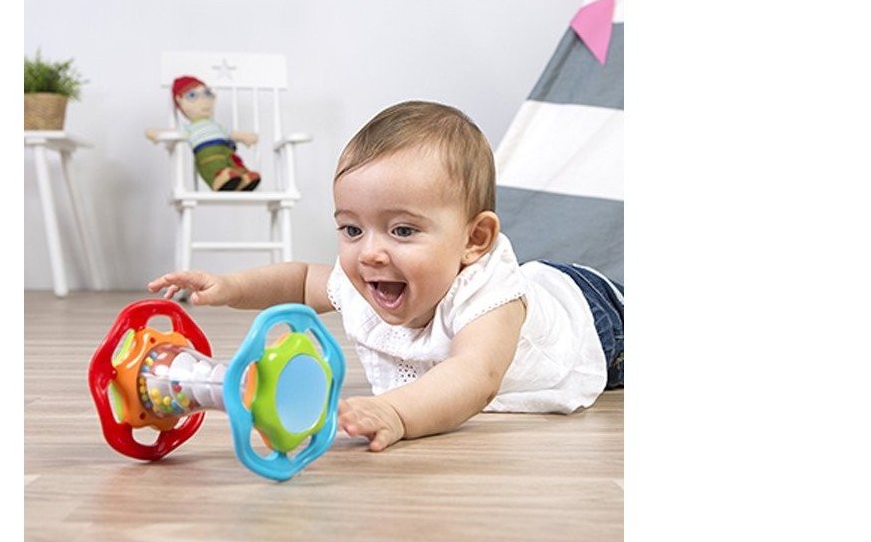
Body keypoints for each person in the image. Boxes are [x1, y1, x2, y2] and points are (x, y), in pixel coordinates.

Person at [148, 100, 623, 452]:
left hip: (593, 317)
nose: (370, 253)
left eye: (402, 230)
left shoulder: (490, 297)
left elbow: (475, 375)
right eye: (352, 229)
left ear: (474, 239)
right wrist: (230, 287)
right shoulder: (371, 275)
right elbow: (300, 281)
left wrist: (396, 411)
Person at [146, 75, 261, 191]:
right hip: (207, 154)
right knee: (215, 166)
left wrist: (245, 137)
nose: (204, 100)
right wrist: (157, 133)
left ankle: (244, 179)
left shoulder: (216, 125)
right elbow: (174, 133)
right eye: (192, 95)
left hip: (228, 152)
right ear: (180, 101)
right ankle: (222, 179)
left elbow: (231, 134)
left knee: (236, 164)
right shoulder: (189, 128)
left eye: (207, 93)